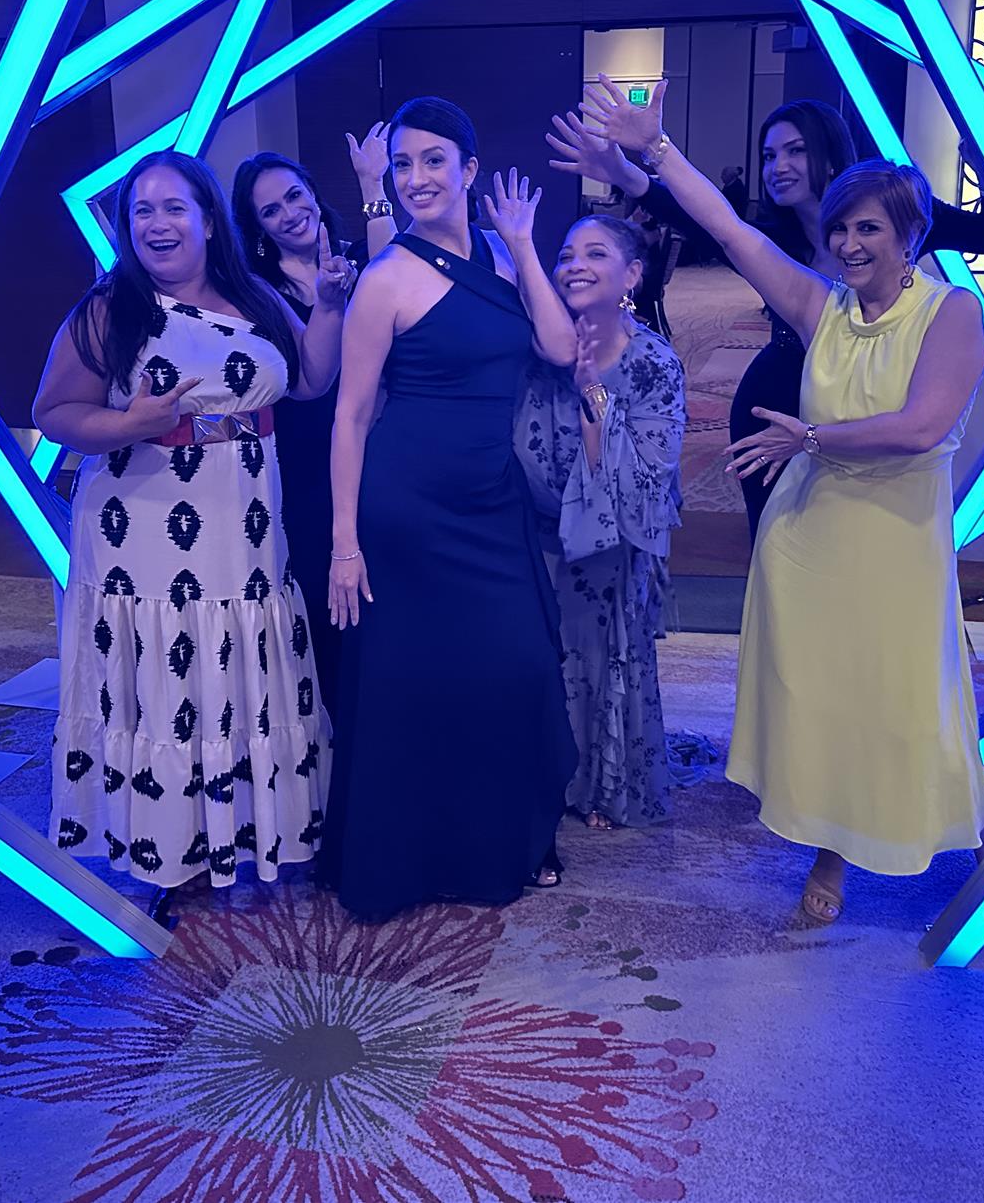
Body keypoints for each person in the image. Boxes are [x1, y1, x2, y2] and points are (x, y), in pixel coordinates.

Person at [581, 76, 984, 928]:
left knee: (914, 694)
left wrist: (811, 437)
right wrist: (655, 148)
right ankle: (830, 852)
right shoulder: (822, 305)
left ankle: (981, 838)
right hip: (810, 538)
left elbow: (922, 427)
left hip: (899, 539)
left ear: (910, 234)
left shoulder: (954, 312)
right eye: (840, 228)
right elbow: (729, 230)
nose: (847, 243)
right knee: (827, 700)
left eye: (868, 228)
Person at [34, 149, 354, 901]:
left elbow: (310, 380)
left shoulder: (254, 296)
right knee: (172, 679)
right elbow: (53, 412)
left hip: (244, 524)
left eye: (174, 207)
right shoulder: (110, 309)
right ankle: (173, 854)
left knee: (239, 674)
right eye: (142, 211)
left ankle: (247, 831)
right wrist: (129, 422)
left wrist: (331, 306)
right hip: (140, 528)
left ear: (209, 220)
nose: (158, 223)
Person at [320, 95, 580, 921]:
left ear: (469, 169)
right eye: (403, 164)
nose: (417, 177)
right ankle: (411, 859)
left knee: (517, 667)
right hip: (408, 506)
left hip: (492, 501)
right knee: (414, 682)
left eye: (434, 160)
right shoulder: (385, 278)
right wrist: (344, 542)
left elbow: (559, 347)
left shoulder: (502, 261)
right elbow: (351, 416)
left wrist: (524, 245)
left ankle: (494, 840)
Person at [548, 102, 984, 539]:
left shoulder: (899, 214)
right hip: (780, 401)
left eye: (795, 151)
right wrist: (643, 159)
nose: (849, 244)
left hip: (872, 425)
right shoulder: (792, 264)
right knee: (780, 538)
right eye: (769, 156)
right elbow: (717, 226)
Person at [517, 213, 686, 829]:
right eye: (566, 255)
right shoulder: (540, 345)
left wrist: (593, 397)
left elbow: (646, 483)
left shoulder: (653, 362)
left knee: (594, 651)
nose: (574, 266)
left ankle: (600, 783)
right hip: (535, 532)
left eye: (594, 254)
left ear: (631, 275)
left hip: (610, 547)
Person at [231, 149, 366, 714]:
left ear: (312, 191)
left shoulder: (363, 259)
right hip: (304, 463)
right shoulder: (256, 293)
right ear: (258, 228)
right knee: (325, 603)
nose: (289, 214)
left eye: (293, 196)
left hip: (376, 451)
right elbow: (303, 380)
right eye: (270, 211)